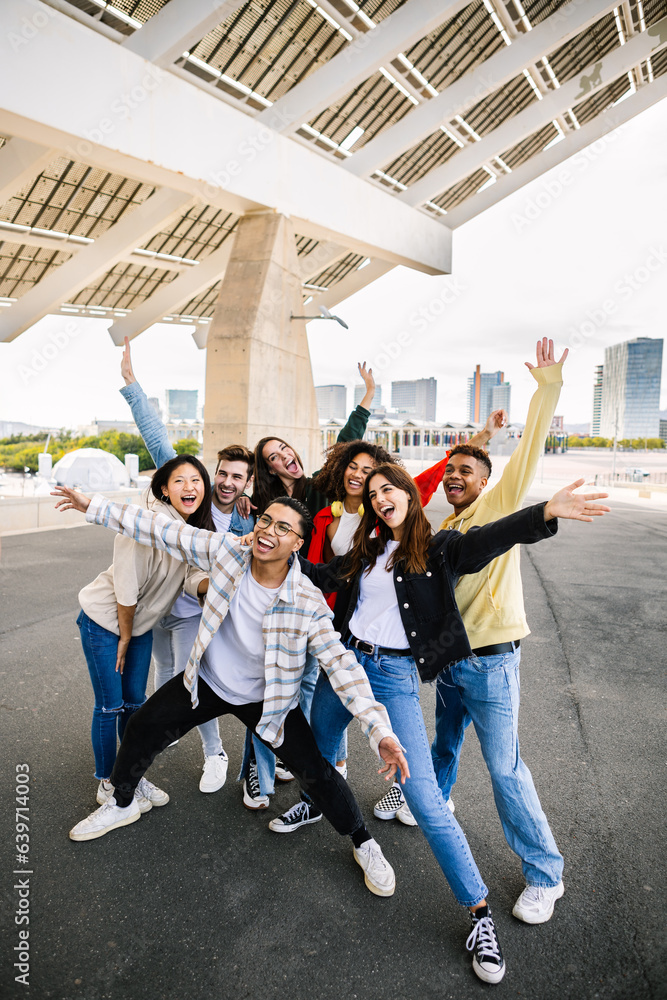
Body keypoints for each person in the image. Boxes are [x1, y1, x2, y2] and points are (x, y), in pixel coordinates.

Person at [273, 462, 609, 984]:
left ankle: (478, 914)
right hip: (344, 666)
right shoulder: (366, 550)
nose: (382, 497)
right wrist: (286, 551)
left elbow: (490, 539)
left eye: (391, 489)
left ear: (409, 496)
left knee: (427, 800)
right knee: (316, 750)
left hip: (393, 677)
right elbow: (325, 578)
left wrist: (543, 514)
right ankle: (318, 805)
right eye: (375, 492)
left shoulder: (440, 549)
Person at [54, 486, 410, 901]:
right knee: (142, 727)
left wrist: (379, 731)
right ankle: (122, 801)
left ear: (297, 542)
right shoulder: (227, 552)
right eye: (265, 521)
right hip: (207, 681)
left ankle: (364, 843)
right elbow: (160, 529)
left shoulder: (308, 602)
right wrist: (92, 504)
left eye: (283, 528)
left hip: (266, 700)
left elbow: (343, 667)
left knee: (318, 773)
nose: (268, 531)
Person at [423, 339, 574, 926]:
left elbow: (528, 451)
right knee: (443, 745)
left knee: (506, 769)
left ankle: (545, 874)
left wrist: (548, 388)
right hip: (452, 663)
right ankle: (431, 805)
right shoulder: (444, 527)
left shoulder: (497, 504)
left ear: (486, 482)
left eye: (468, 471)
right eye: (451, 471)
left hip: (491, 663)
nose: (456, 476)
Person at [119, 337, 254, 794]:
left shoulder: (246, 517)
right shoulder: (186, 491)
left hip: (193, 608)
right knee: (162, 670)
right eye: (222, 474)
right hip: (155, 604)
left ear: (247, 483)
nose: (226, 482)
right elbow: (157, 439)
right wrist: (133, 386)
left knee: (191, 678)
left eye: (238, 477)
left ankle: (214, 752)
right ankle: (166, 727)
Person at [73, 453, 214, 816]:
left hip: (136, 627)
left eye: (196, 480)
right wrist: (124, 635)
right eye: (180, 480)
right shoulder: (147, 522)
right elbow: (126, 584)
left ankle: (129, 775)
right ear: (164, 490)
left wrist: (211, 588)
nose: (190, 487)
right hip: (106, 620)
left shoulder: (190, 532)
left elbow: (193, 575)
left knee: (136, 704)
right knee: (110, 705)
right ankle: (107, 781)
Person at [250, 362, 375, 518]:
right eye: (274, 457)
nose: (284, 455)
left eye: (283, 447)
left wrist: (370, 392)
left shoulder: (317, 486)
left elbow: (344, 445)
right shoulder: (262, 501)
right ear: (271, 469)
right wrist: (241, 498)